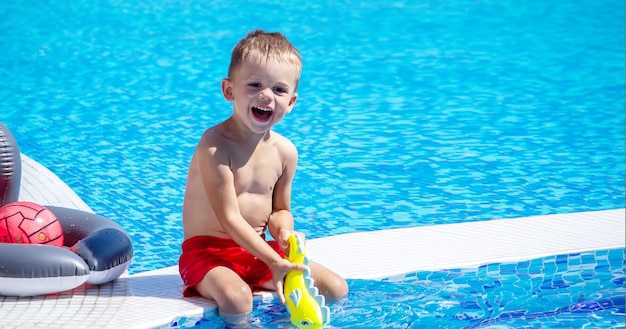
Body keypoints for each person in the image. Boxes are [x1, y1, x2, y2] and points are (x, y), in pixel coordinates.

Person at [178, 29, 349, 324]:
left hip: (256, 252)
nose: (266, 95)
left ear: (292, 101)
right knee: (237, 297)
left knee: (335, 288)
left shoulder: (285, 152)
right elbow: (230, 218)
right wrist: (274, 262)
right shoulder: (215, 145)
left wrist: (284, 234)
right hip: (207, 254)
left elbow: (280, 210)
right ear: (229, 91)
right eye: (255, 84)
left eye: (279, 90)